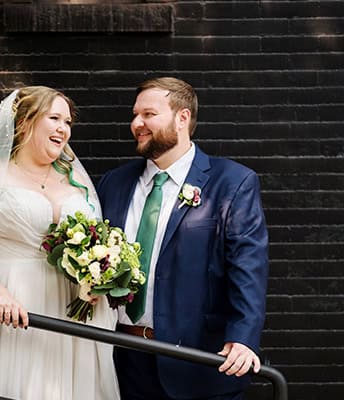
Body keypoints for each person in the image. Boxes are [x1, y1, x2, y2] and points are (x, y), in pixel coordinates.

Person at [0, 86, 120, 400]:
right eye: (55, 118)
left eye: (68, 122)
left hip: (67, 313)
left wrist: (96, 280)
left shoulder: (74, 178)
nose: (63, 128)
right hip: (7, 310)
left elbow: (92, 242)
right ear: (24, 122)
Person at [97, 77, 269, 400]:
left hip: (198, 366)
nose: (137, 124)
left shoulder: (231, 183)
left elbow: (248, 269)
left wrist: (244, 337)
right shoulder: (114, 184)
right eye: (135, 115)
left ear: (182, 118)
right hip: (123, 362)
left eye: (149, 114)